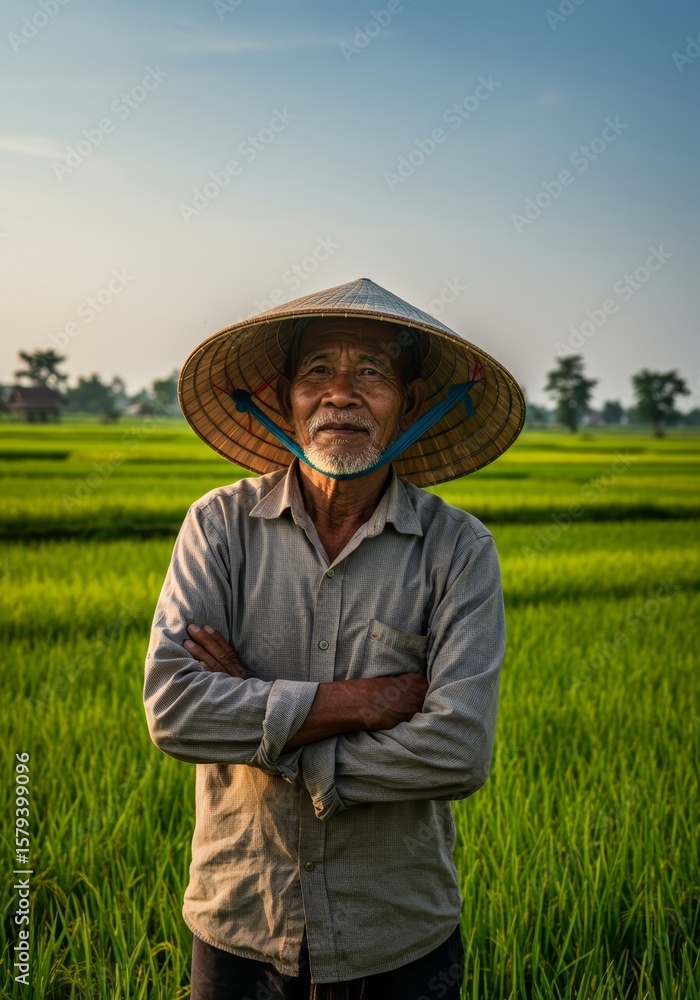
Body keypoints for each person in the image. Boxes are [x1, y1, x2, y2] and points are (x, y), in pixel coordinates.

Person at [143, 277, 525, 1000]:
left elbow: (458, 752)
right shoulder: (219, 527)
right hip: (240, 923)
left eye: (372, 372)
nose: (341, 394)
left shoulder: (458, 549)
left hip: (397, 934)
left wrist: (267, 725)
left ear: (411, 403)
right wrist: (360, 701)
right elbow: (173, 709)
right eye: (318, 369)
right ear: (283, 395)